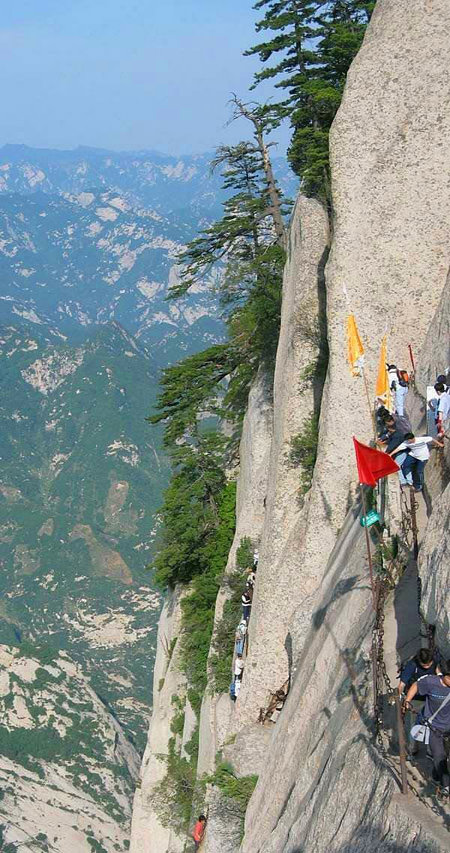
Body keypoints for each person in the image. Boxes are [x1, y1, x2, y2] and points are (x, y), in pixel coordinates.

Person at [405, 658, 450, 794]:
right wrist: (407, 700)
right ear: (444, 675)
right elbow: (417, 685)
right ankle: (446, 785)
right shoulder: (431, 682)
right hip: (434, 727)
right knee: (439, 756)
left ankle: (437, 776)